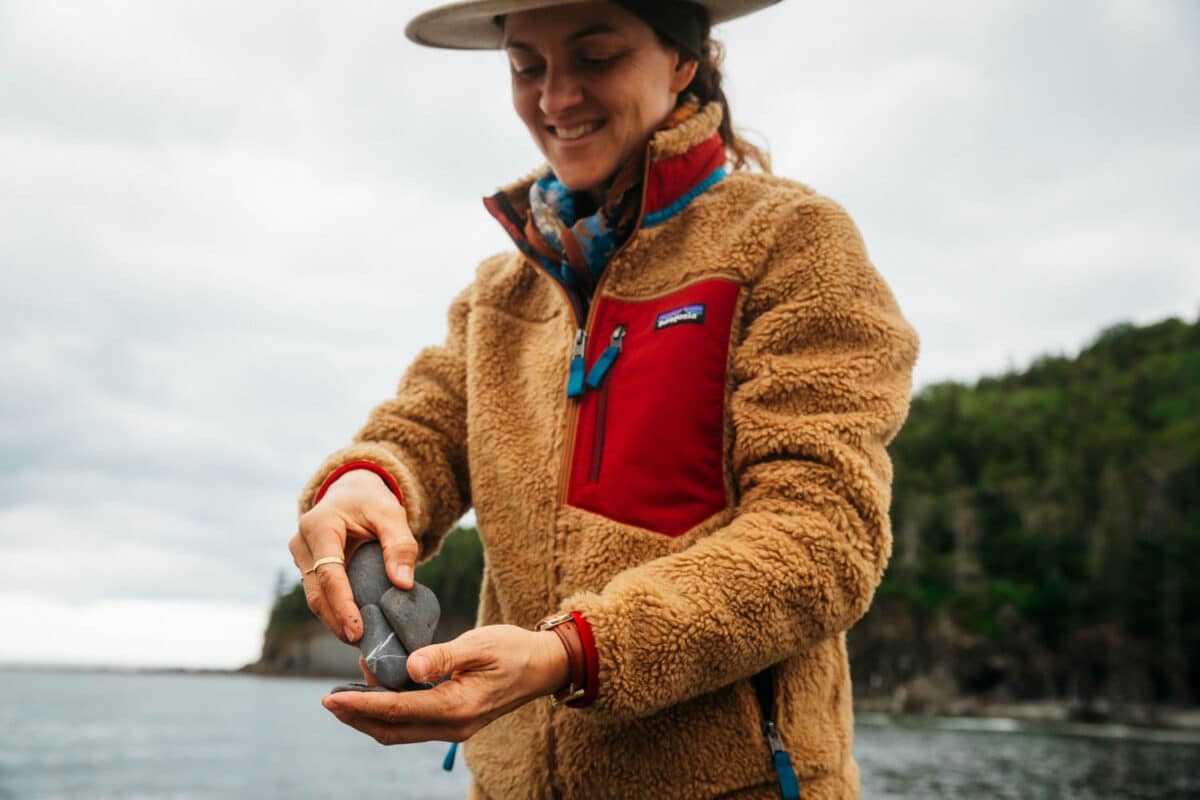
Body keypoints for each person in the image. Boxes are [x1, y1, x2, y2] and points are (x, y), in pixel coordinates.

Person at [288, 1, 919, 798]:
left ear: (684, 61)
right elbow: (420, 433)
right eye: (527, 67)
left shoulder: (793, 243)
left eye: (595, 57)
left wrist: (572, 652)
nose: (556, 99)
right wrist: (362, 485)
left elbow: (824, 537)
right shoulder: (499, 295)